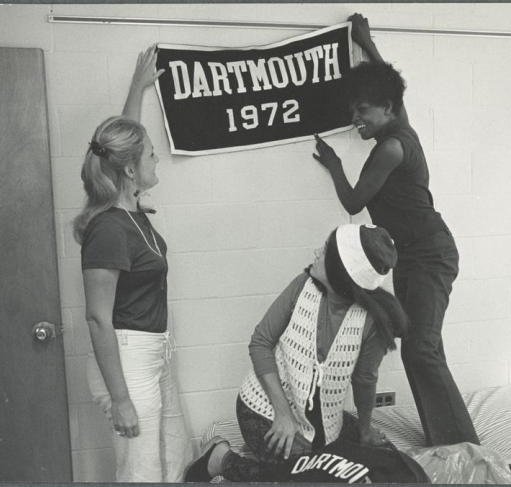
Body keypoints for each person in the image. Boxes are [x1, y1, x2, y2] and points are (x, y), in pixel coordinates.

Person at [312, 14, 480, 447]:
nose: (355, 120)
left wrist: (333, 163)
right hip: (412, 253)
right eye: (353, 111)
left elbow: (352, 203)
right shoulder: (399, 121)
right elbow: (392, 87)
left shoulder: (389, 147)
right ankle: (446, 436)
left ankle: (462, 446)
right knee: (422, 345)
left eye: (361, 111)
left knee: (419, 348)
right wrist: (367, 43)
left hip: (430, 253)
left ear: (384, 109)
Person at [183, 223, 415, 482]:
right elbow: (260, 343)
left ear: (342, 271)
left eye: (325, 250)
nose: (316, 252)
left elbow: (364, 380)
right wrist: (283, 414)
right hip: (264, 407)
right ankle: (221, 459)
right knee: (302, 478)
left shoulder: (371, 321)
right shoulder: (303, 285)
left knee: (387, 462)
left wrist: (365, 432)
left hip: (323, 417)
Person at [72, 46, 192, 482]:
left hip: (153, 352)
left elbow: (119, 145)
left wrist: (137, 89)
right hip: (127, 357)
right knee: (141, 472)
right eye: (151, 155)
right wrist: (121, 399)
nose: (157, 159)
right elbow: (97, 319)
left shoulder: (130, 208)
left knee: (174, 456)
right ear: (128, 171)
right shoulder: (108, 228)